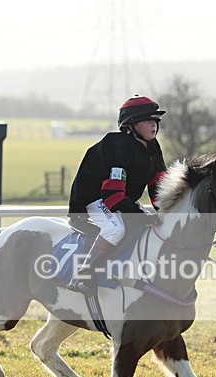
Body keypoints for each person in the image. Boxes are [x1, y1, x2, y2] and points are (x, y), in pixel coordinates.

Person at [66, 95, 168, 294]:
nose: (154, 125)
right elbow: (112, 195)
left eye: (156, 121)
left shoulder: (153, 147)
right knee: (116, 229)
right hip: (95, 198)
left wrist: (166, 211)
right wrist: (140, 215)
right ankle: (84, 275)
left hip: (120, 198)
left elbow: (158, 184)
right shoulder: (118, 147)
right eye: (148, 120)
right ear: (131, 124)